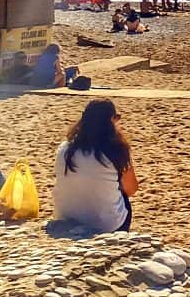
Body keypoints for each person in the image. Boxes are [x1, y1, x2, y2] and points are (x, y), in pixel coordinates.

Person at [53, 98, 138, 232]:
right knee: (122, 196)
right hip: (108, 225)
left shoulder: (65, 148)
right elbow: (131, 189)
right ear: (111, 120)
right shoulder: (116, 149)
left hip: (65, 216)